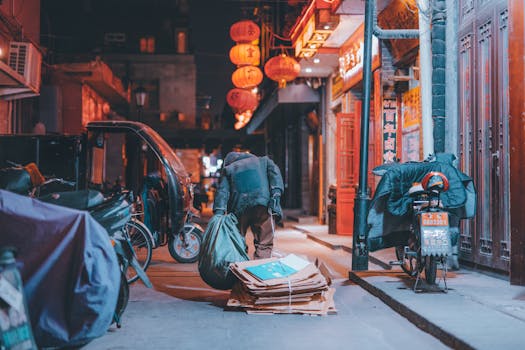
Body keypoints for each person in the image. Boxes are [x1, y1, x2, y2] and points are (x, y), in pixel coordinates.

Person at [213, 151, 284, 259]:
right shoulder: (264, 161)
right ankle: (259, 269)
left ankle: (240, 268)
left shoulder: (228, 169)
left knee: (237, 240)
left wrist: (219, 212)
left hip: (239, 209)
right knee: (264, 243)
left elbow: (222, 192)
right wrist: (276, 193)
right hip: (263, 205)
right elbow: (275, 175)